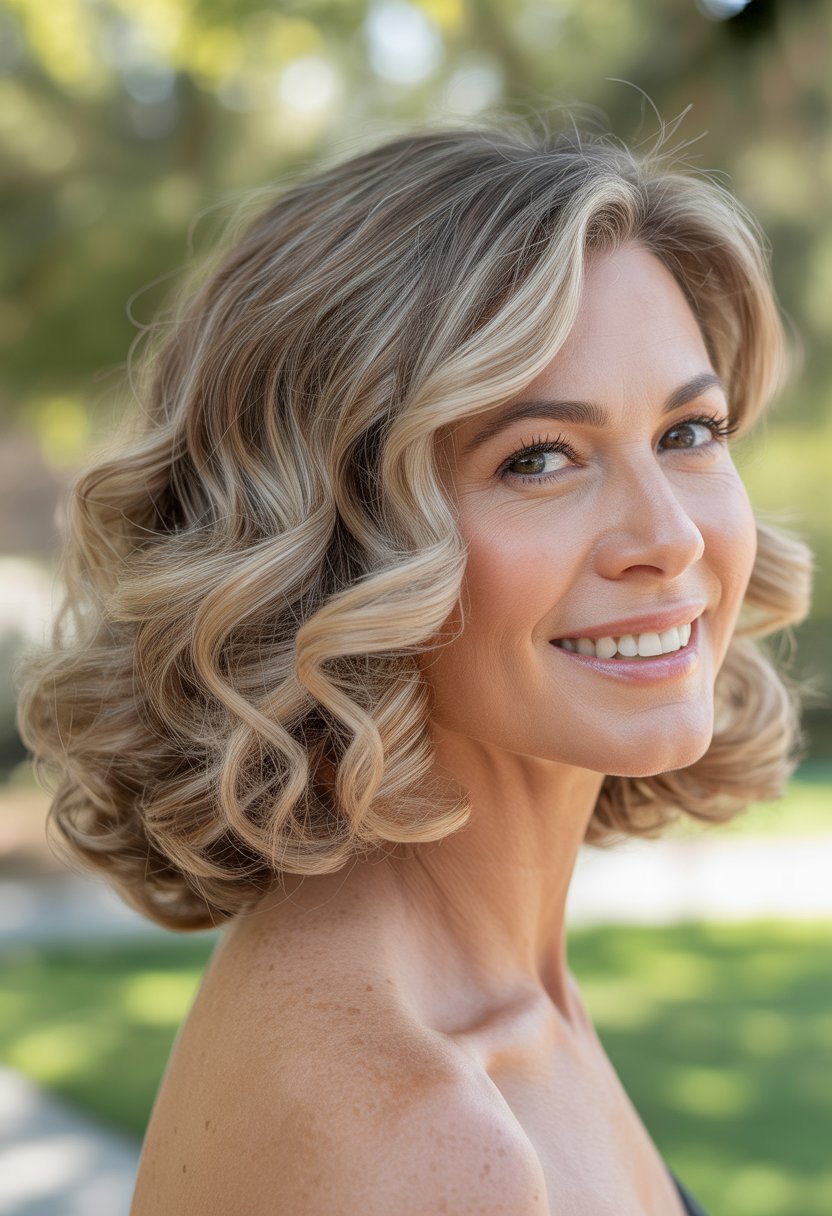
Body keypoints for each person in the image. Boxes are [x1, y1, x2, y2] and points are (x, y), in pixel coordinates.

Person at [15, 118, 811, 1215]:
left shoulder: (483, 997)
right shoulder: (427, 1138)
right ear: (337, 548)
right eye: (539, 458)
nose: (669, 536)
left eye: (689, 431)